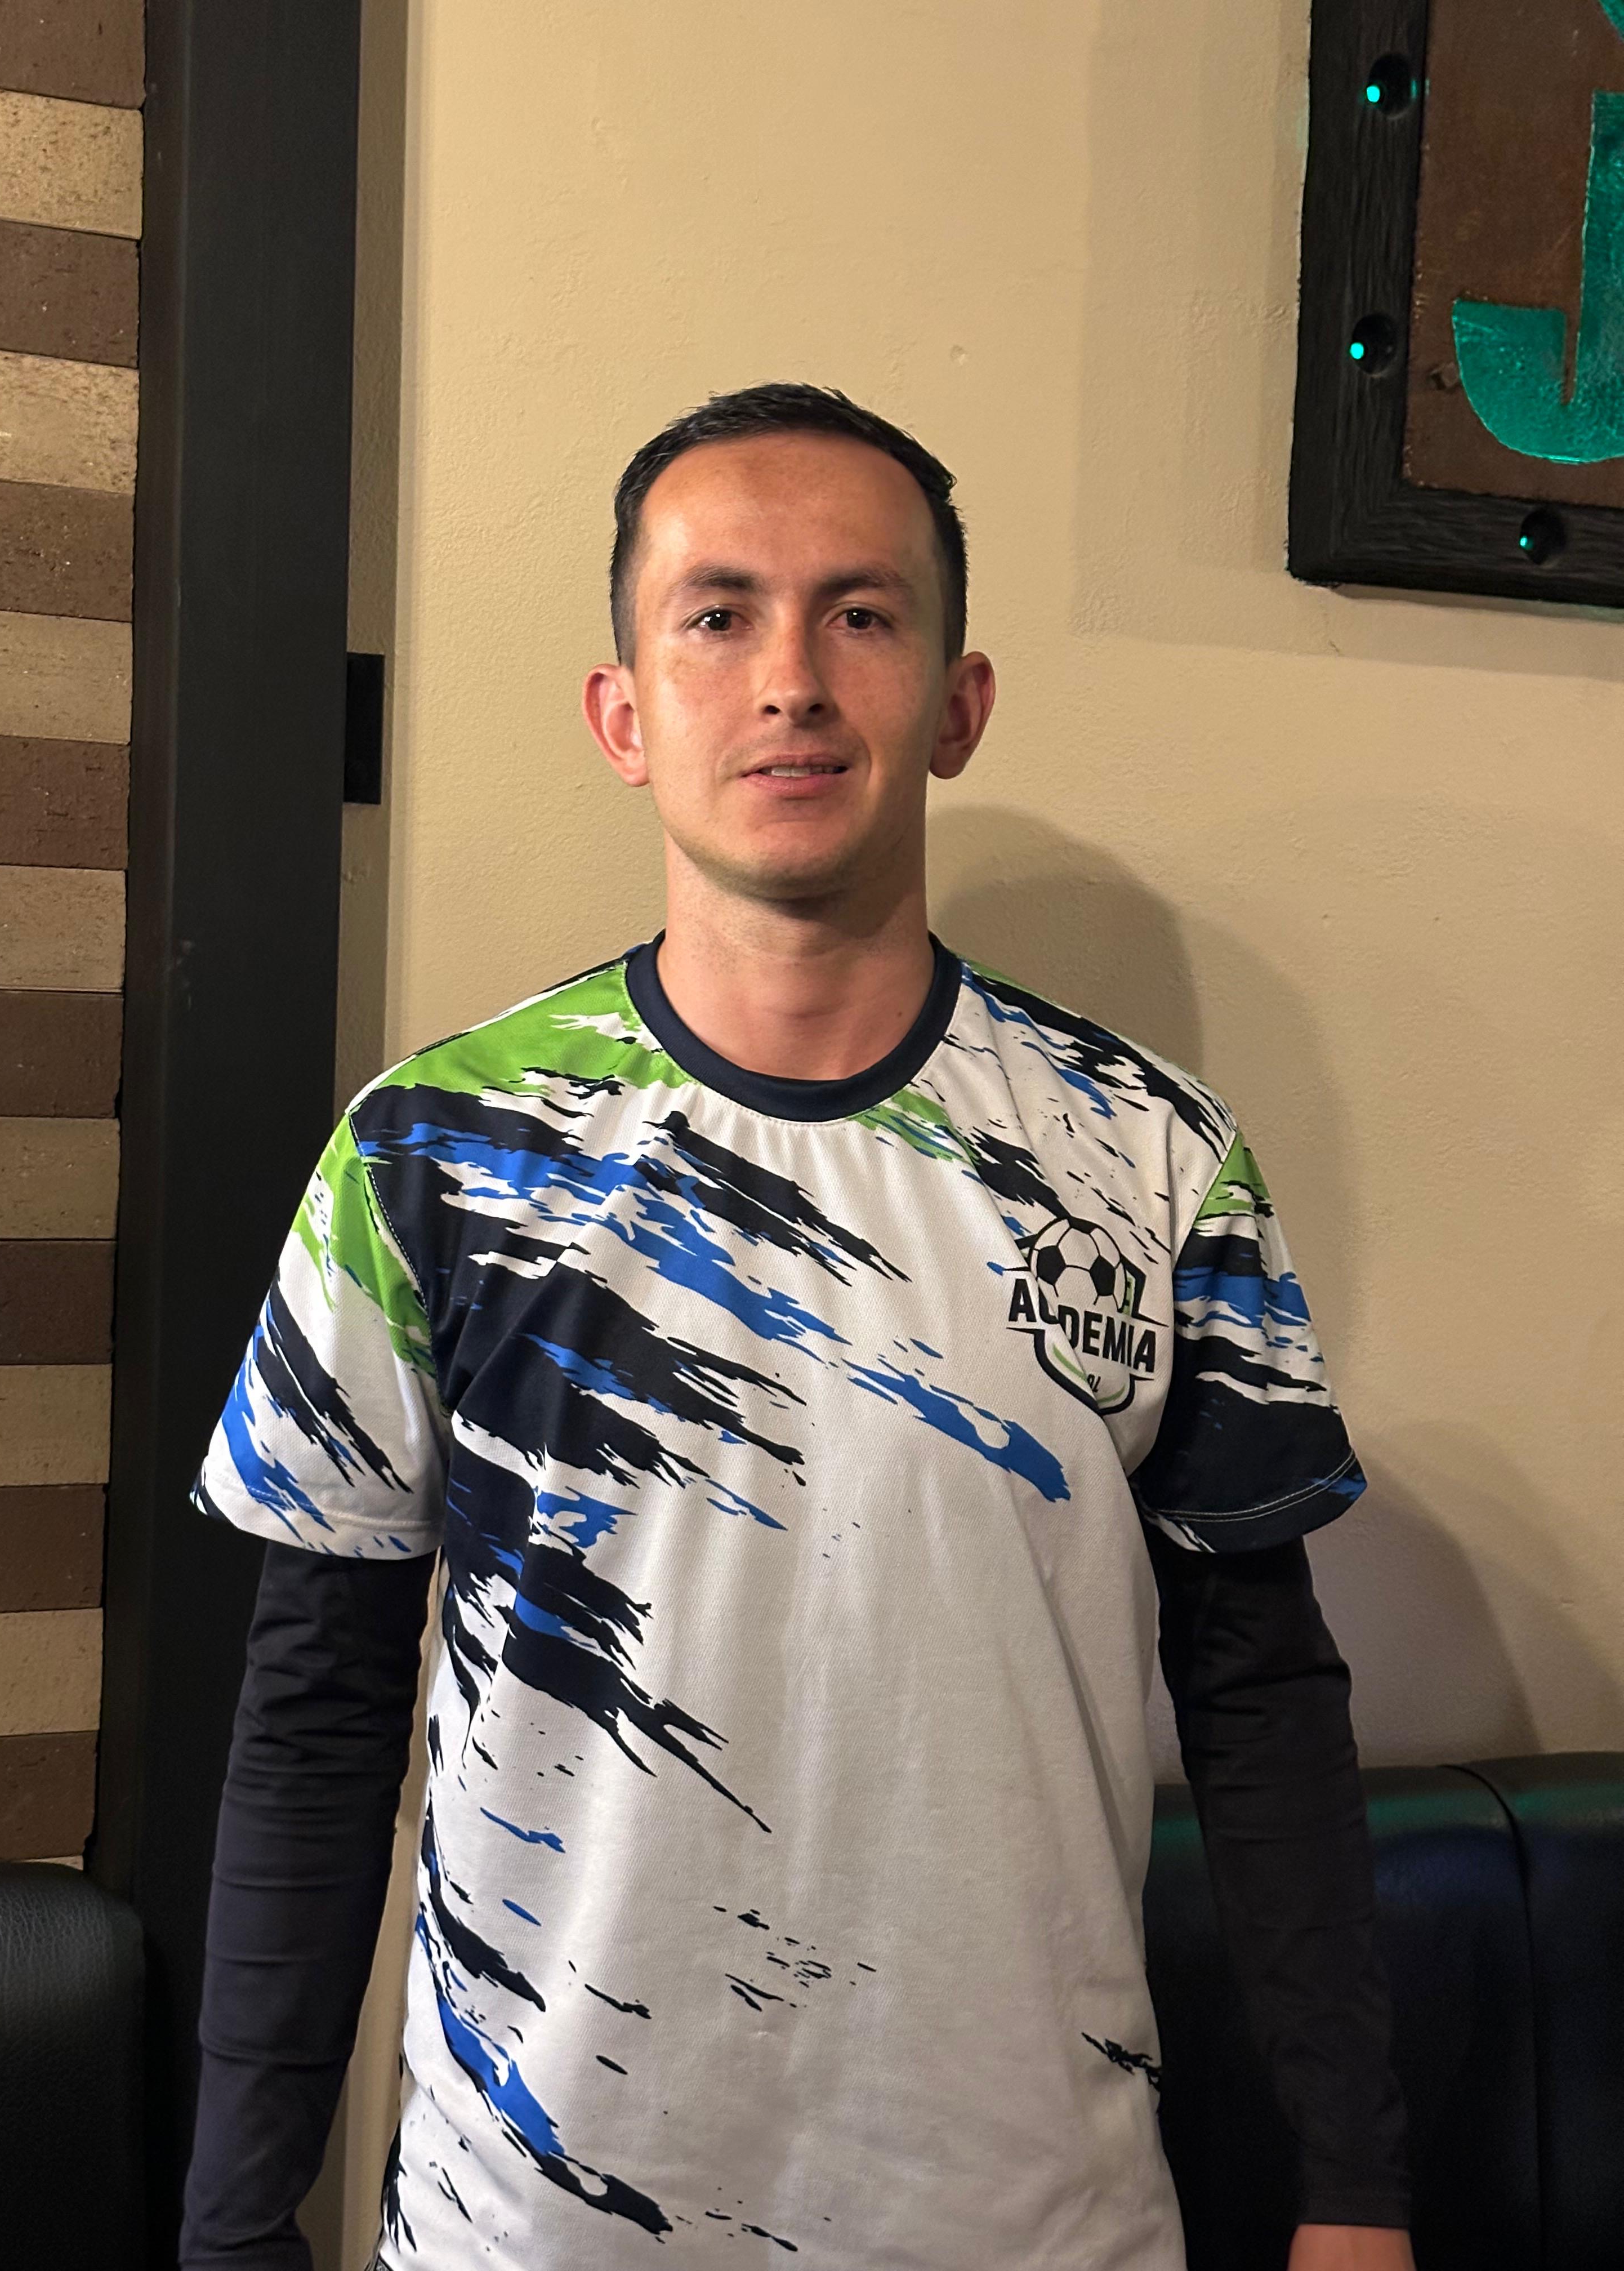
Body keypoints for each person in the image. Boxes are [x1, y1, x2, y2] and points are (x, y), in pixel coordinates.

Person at [180, 383, 1414, 2270]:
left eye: (862, 613)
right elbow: (315, 1717)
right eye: (718, 614)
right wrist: (233, 2220)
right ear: (624, 713)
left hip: (1031, 2220)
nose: (791, 681)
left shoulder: (1155, 1163)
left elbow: (1262, 1703)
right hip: (537, 2228)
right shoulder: (432, 1155)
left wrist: (1357, 2190)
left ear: (959, 702)